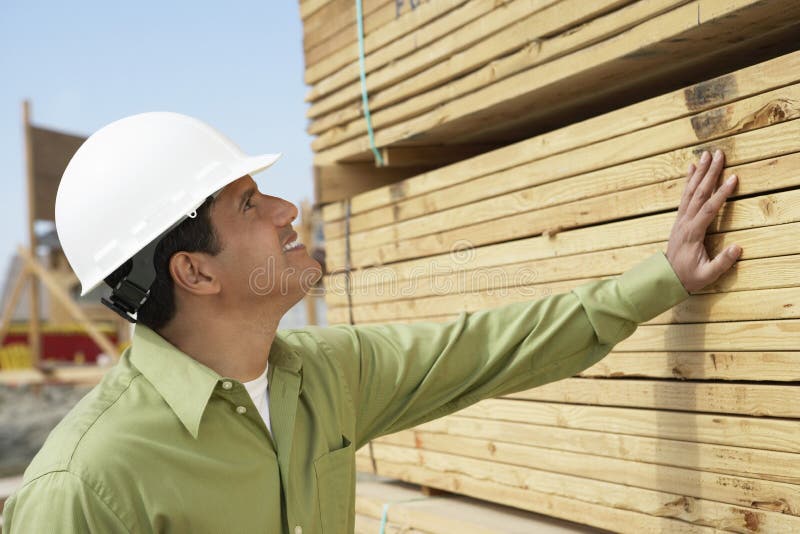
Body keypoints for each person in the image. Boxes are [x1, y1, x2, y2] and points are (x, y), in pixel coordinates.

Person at [2, 112, 741, 534]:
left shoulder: (326, 376)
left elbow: (489, 348)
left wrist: (661, 280)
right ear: (194, 272)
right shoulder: (85, 490)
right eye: (250, 204)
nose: (288, 212)